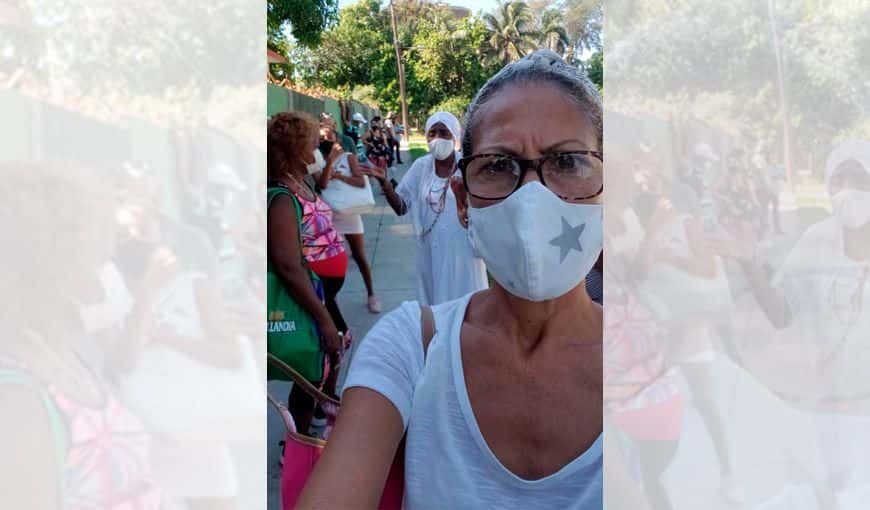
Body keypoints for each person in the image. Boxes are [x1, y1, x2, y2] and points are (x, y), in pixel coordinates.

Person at [299, 49, 603, 509]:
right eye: (499, 165)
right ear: (464, 201)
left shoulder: (660, 362)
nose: (532, 198)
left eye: (567, 161)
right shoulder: (408, 349)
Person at [0, 163, 165, 509]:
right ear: (53, 261)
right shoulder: (16, 399)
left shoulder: (61, 354)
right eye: (99, 241)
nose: (110, 255)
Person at [726, 140, 870, 506]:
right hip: (825, 404)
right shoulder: (817, 240)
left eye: (859, 179)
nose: (849, 190)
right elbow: (781, 315)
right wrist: (750, 265)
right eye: (839, 180)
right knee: (831, 492)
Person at [267, 112, 345, 434]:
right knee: (313, 365)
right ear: (296, 149)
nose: (317, 151)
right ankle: (298, 444)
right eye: (312, 145)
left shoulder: (301, 183)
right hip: (309, 296)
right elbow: (287, 263)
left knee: (328, 357)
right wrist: (323, 318)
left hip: (324, 292)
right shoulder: (282, 197)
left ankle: (319, 413)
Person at [363, 111, 489, 306]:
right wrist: (384, 182)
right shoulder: (421, 167)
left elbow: (485, 209)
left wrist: (463, 201)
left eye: (444, 133)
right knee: (435, 303)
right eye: (432, 133)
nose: (437, 138)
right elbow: (401, 207)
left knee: (466, 301)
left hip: (462, 250)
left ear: (455, 135)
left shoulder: (468, 166)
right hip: (431, 248)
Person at [316, 119, 383, 314]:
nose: (327, 139)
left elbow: (360, 183)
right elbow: (322, 185)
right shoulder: (318, 160)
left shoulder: (348, 157)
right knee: (334, 259)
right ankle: (332, 299)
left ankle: (371, 293)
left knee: (360, 256)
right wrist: (330, 162)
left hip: (350, 213)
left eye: (330, 136)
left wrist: (339, 176)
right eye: (323, 137)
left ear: (337, 137)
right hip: (330, 216)